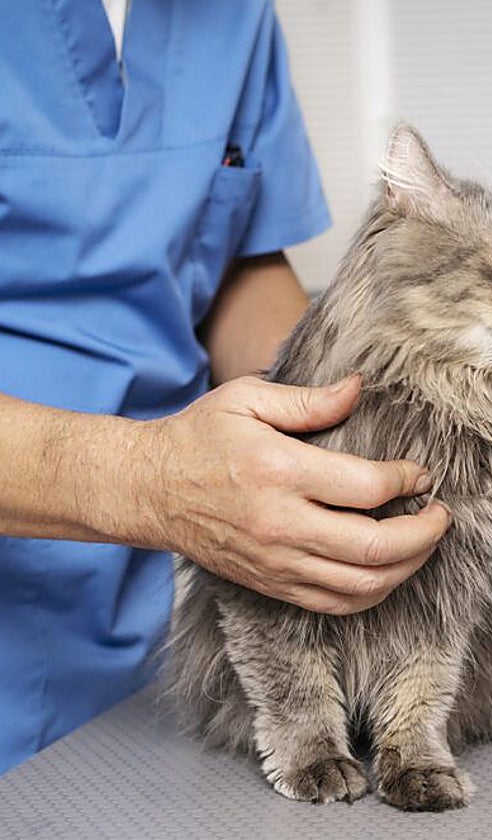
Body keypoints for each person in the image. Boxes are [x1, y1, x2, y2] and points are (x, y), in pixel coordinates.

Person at [0, 0, 450, 775]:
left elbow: (231, 261)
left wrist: (365, 407)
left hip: (128, 660)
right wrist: (151, 482)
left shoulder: (236, 16)